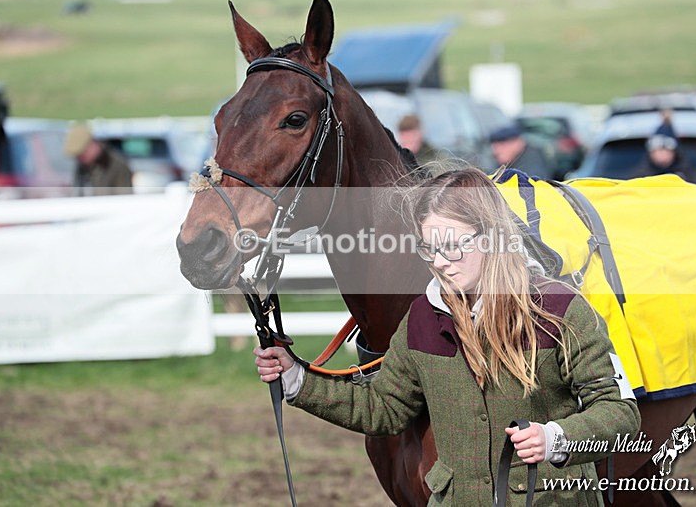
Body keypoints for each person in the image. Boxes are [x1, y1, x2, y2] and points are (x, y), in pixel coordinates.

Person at [254, 168, 640, 505]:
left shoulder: (562, 309)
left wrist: (556, 437)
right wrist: (297, 379)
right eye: (429, 248)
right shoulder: (422, 316)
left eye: (452, 246)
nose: (438, 262)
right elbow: (383, 407)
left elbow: (620, 412)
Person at [64, 122, 133, 196]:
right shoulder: (83, 167)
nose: (80, 159)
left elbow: (124, 198)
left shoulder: (118, 166)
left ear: (92, 144)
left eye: (82, 154)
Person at [632, 113, 695, 182]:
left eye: (666, 150)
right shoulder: (639, 179)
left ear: (675, 153)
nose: (662, 155)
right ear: (651, 153)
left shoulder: (688, 177)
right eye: (658, 150)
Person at [489, 124, 555, 179]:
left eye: (502, 145)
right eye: (494, 147)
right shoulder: (510, 160)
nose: (495, 152)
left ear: (518, 143)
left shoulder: (531, 162)